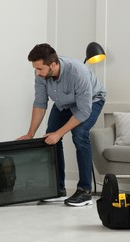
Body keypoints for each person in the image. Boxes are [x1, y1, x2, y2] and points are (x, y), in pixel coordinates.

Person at [18, 43, 106, 207]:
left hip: (92, 101)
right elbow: (39, 103)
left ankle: (85, 191)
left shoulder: (77, 72)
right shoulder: (41, 75)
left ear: (53, 64)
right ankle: (57, 188)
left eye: (40, 69)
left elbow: (84, 111)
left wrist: (60, 133)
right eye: (35, 69)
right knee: (50, 136)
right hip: (64, 104)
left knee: (79, 134)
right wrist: (30, 133)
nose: (37, 73)